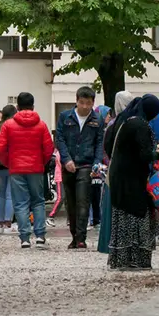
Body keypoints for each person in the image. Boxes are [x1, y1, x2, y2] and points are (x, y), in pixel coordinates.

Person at [104, 94, 159, 270]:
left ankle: (122, 258)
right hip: (133, 181)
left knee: (124, 217)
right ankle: (138, 259)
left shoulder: (127, 121)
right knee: (140, 216)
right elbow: (144, 154)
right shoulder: (140, 125)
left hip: (121, 179)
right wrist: (158, 155)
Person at [0, 92, 54, 249]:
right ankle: (40, 237)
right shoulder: (41, 125)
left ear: (17, 107)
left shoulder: (8, 125)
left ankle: (25, 238)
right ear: (33, 106)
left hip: (16, 169)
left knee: (20, 203)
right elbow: (49, 148)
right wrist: (41, 162)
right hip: (35, 168)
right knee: (38, 201)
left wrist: (9, 162)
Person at [55, 86, 105, 249]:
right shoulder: (65, 117)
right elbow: (60, 139)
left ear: (93, 103)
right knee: (71, 202)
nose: (85, 106)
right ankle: (74, 235)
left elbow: (99, 143)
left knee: (83, 201)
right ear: (76, 101)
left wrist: (97, 162)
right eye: (82, 103)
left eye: (88, 103)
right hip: (69, 163)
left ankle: (81, 237)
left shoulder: (97, 120)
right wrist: (66, 159)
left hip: (86, 164)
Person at [97, 90, 133, 253]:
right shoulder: (128, 123)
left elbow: (105, 150)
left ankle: (109, 243)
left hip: (112, 169)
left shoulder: (111, 124)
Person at [0, 104, 17, 234]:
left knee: (1, 194)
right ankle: (8, 223)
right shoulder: (12, 126)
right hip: (10, 163)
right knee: (9, 195)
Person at [88, 105, 112, 229]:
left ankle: (97, 218)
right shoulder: (98, 132)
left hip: (103, 166)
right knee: (95, 193)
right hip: (97, 166)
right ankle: (93, 219)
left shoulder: (106, 130)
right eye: (107, 114)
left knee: (99, 193)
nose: (109, 116)